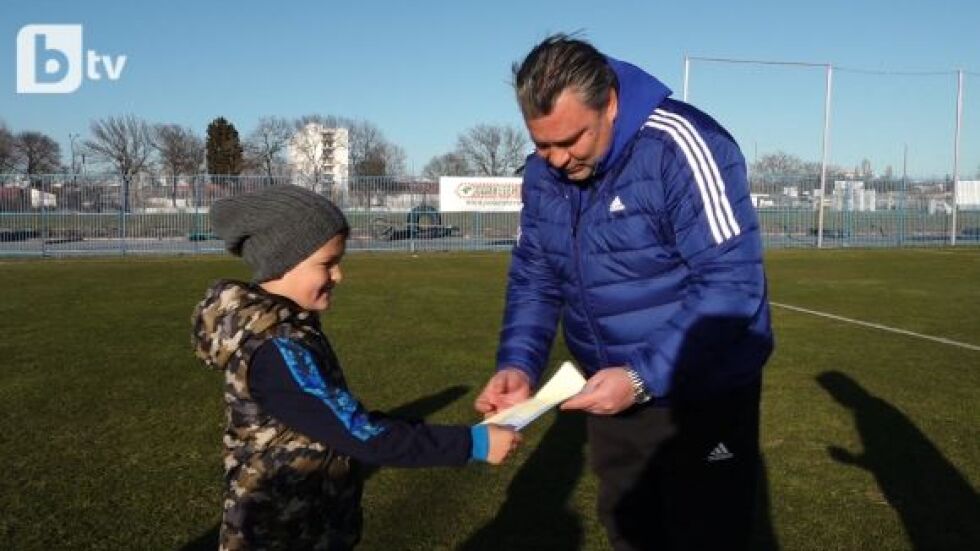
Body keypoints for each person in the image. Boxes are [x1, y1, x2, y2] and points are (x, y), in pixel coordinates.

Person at [475, 34, 774, 550]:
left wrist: (641, 377)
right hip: (609, 393)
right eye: (542, 143)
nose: (556, 160)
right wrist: (518, 365)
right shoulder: (541, 174)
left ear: (609, 103)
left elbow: (732, 283)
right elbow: (536, 276)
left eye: (571, 140)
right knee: (631, 531)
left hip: (701, 394)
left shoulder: (681, 144)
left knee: (706, 535)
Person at [191, 185, 520, 551]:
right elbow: (359, 433)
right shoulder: (276, 348)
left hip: (309, 527)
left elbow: (339, 418)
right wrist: (471, 443)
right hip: (280, 535)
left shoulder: (289, 329)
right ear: (282, 261)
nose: (339, 276)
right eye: (327, 264)